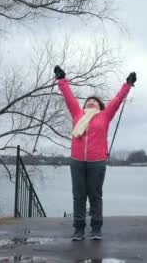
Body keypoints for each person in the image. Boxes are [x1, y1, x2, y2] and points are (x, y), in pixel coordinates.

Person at [54, 65, 136, 241]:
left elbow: (117, 100)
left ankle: (96, 229)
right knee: (78, 197)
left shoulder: (105, 116)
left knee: (95, 197)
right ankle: (78, 230)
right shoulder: (77, 113)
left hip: (97, 162)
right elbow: (68, 97)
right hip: (77, 161)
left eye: (94, 101)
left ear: (100, 106)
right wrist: (61, 79)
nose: (90, 102)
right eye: (88, 101)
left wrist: (127, 85)